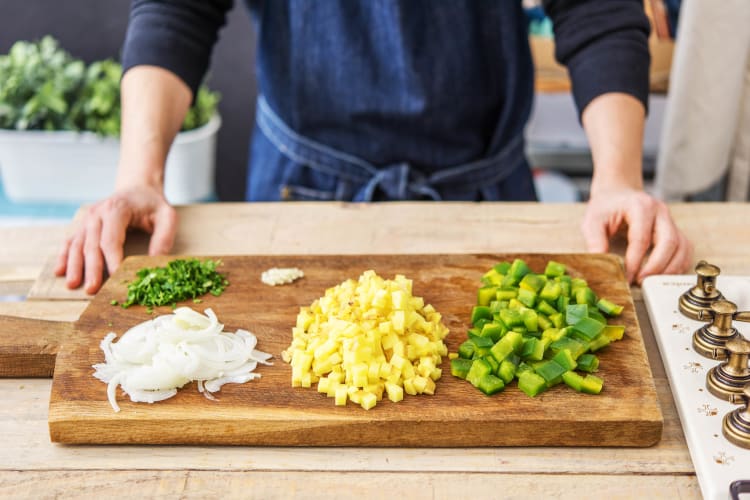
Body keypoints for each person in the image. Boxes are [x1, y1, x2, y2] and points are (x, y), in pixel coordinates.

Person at [56, 0, 692, 294]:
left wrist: (616, 179)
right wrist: (140, 176)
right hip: (297, 192)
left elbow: (596, 8)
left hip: (483, 190)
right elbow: (178, 9)